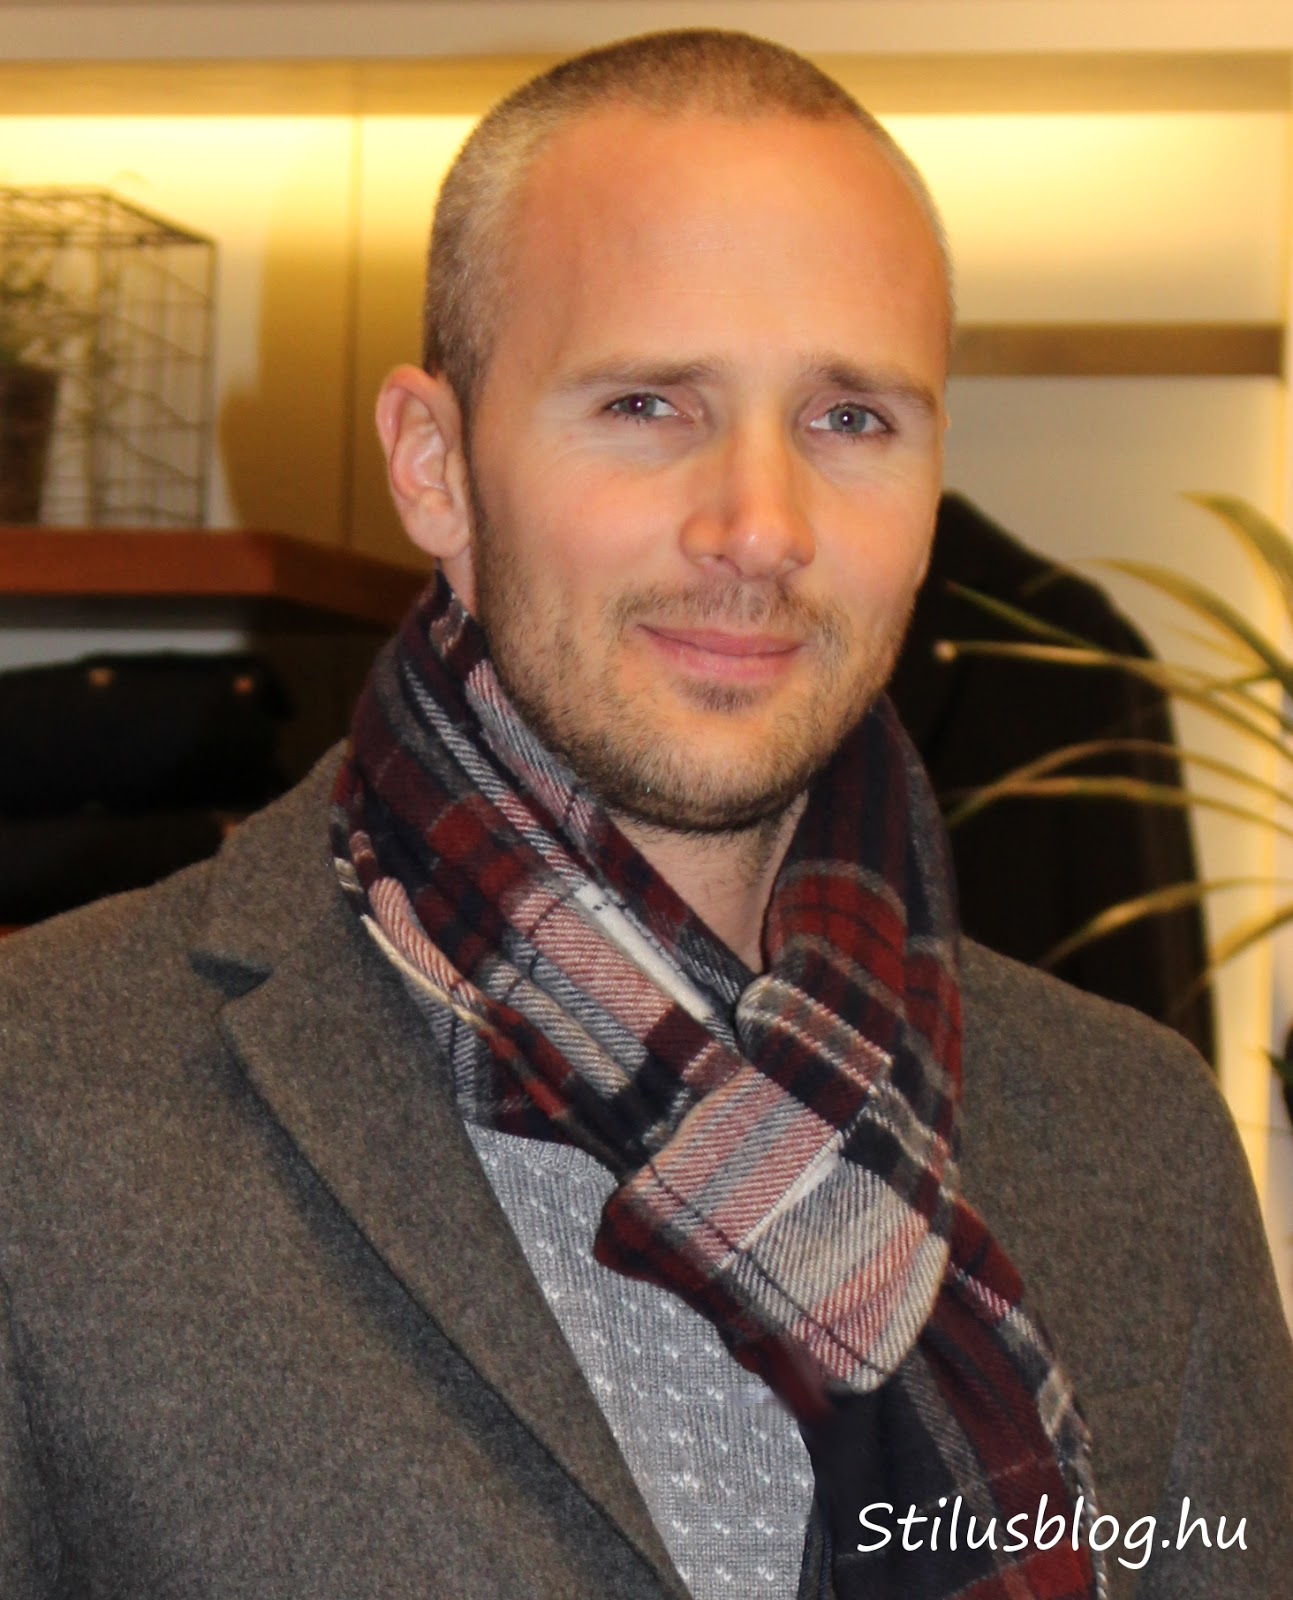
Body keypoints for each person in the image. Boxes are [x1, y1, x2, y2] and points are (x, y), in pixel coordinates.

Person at [0, 29, 1288, 1600]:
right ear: (433, 464)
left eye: (850, 420)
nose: (758, 526)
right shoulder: (42, 1109)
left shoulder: (1143, 1142)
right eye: (645, 403)